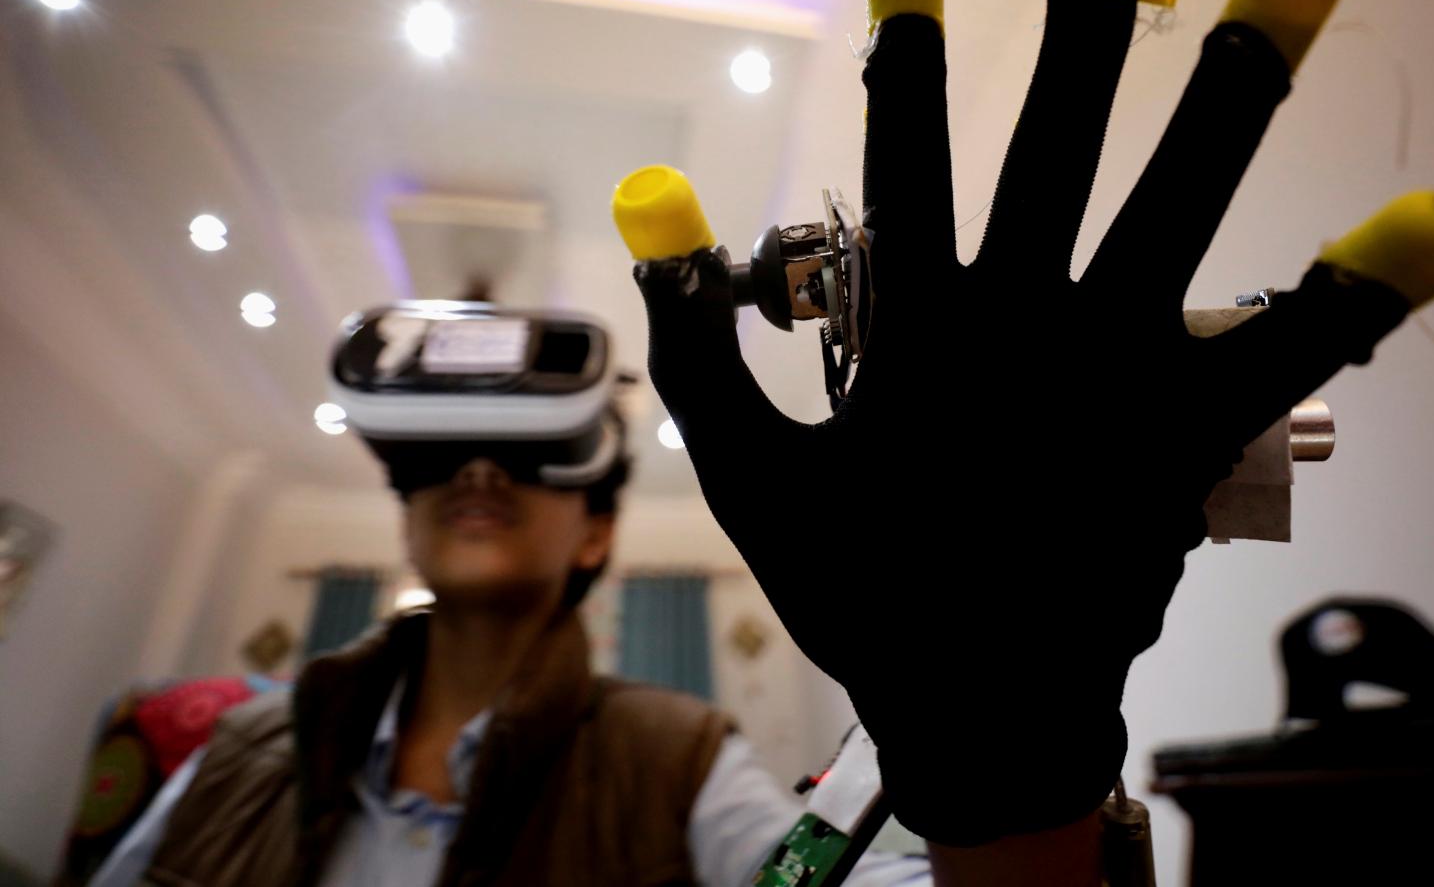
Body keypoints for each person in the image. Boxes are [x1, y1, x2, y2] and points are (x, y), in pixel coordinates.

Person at [90, 306, 932, 887]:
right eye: (449, 445)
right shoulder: (235, 755)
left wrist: (977, 756)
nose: (480, 468)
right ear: (407, 516)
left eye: (527, 445)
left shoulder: (680, 761)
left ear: (594, 532)